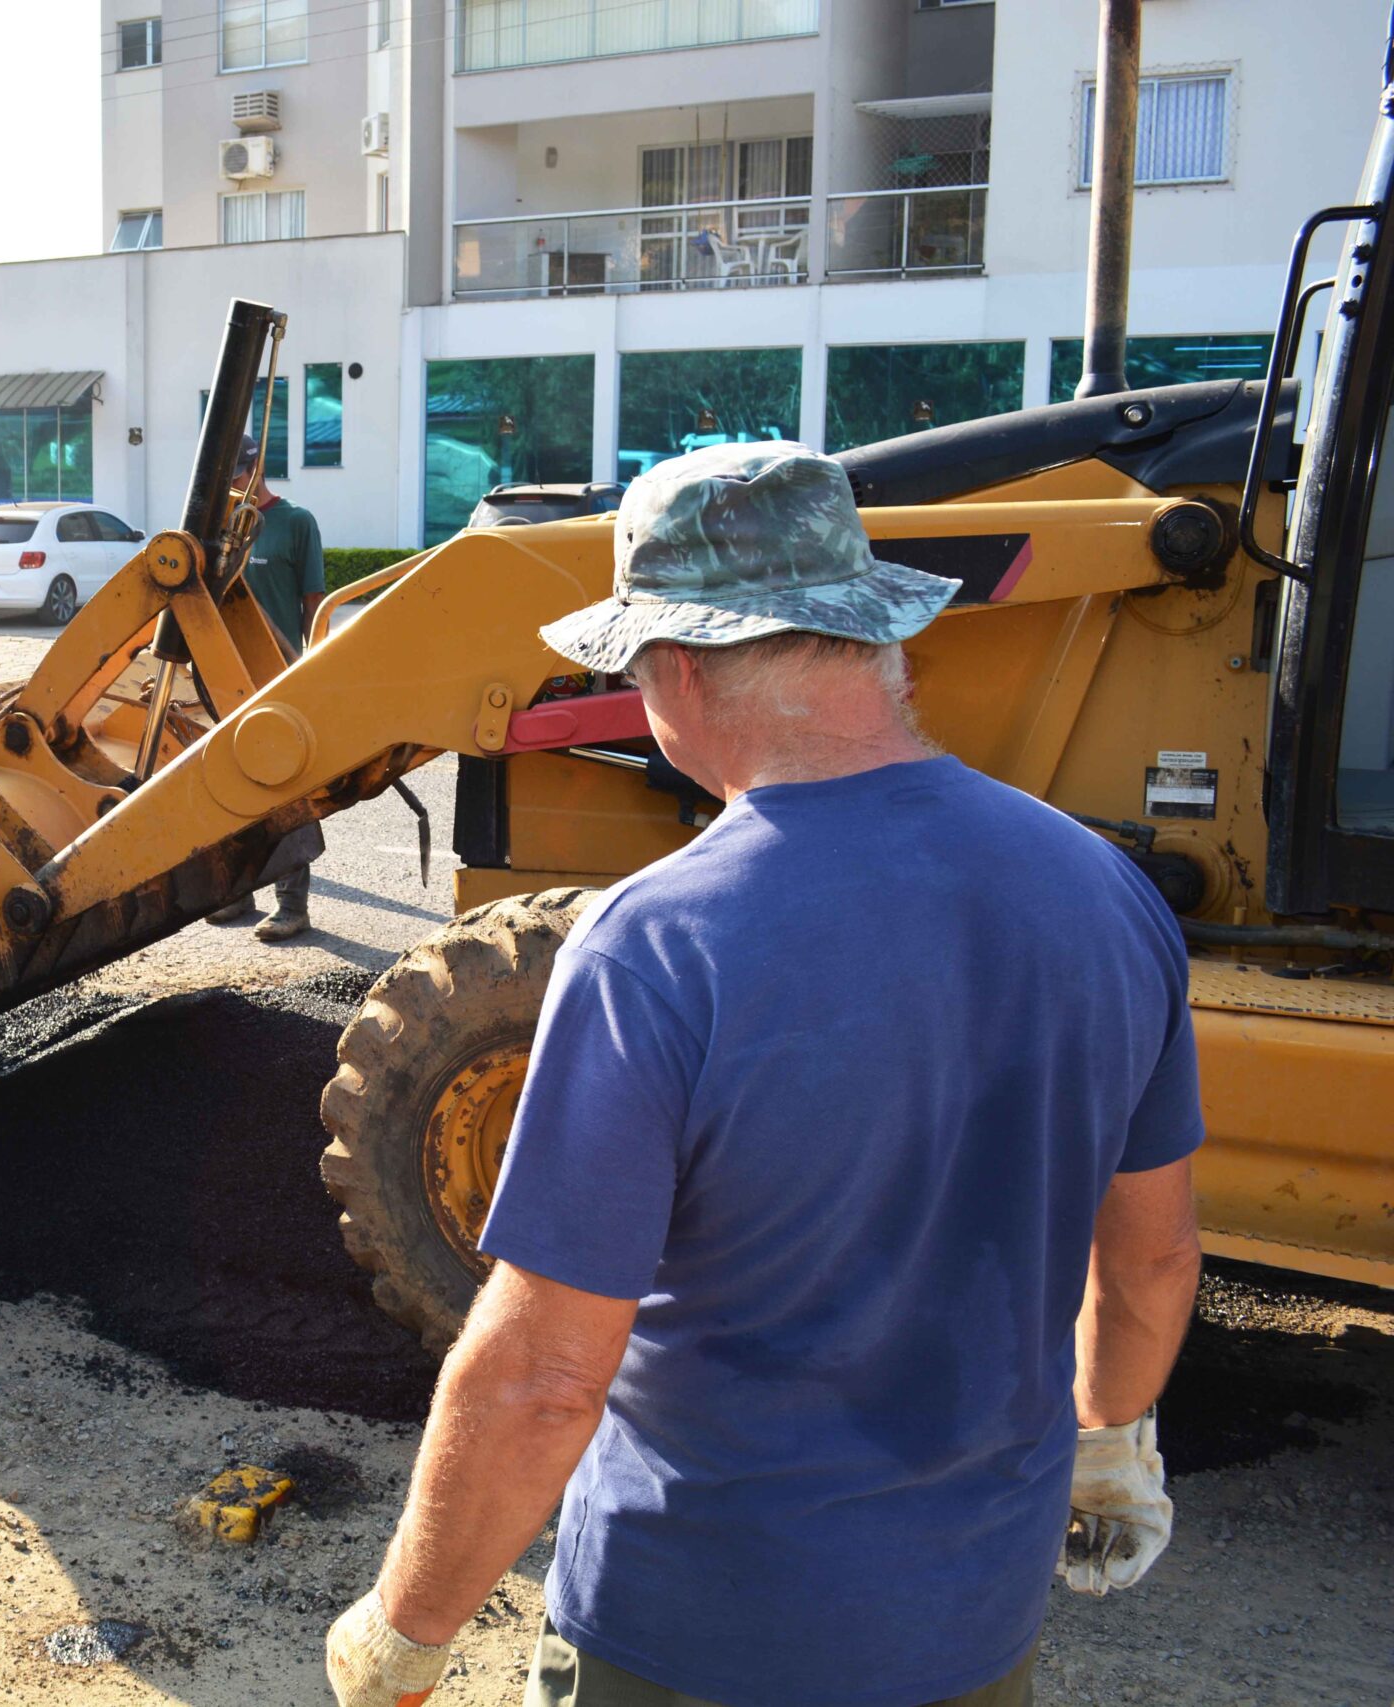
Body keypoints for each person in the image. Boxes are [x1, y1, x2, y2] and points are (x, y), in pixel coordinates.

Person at [325, 442, 1204, 1707]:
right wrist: (1107, 1440)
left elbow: (543, 1377)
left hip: (695, 1633)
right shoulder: (1103, 890)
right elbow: (1153, 1255)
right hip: (969, 1629)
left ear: (676, 666)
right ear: (870, 637)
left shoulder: (655, 945)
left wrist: (403, 1635)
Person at [207, 430, 327, 942]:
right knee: (228, 783)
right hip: (223, 676)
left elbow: (315, 603)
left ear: (257, 469)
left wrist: (313, 665)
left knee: (282, 787)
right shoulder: (221, 528)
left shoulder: (295, 523)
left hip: (277, 677)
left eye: (237, 477)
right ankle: (237, 892)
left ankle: (291, 903)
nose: (232, 487)